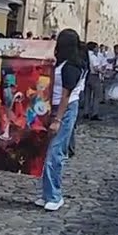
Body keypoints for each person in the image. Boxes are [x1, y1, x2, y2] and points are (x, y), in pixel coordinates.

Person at [34, 28, 87, 211]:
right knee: (47, 151)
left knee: (55, 153)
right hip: (52, 106)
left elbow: (66, 95)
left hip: (64, 109)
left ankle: (55, 195)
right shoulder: (62, 63)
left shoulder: (72, 67)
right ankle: (47, 193)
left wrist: (58, 119)